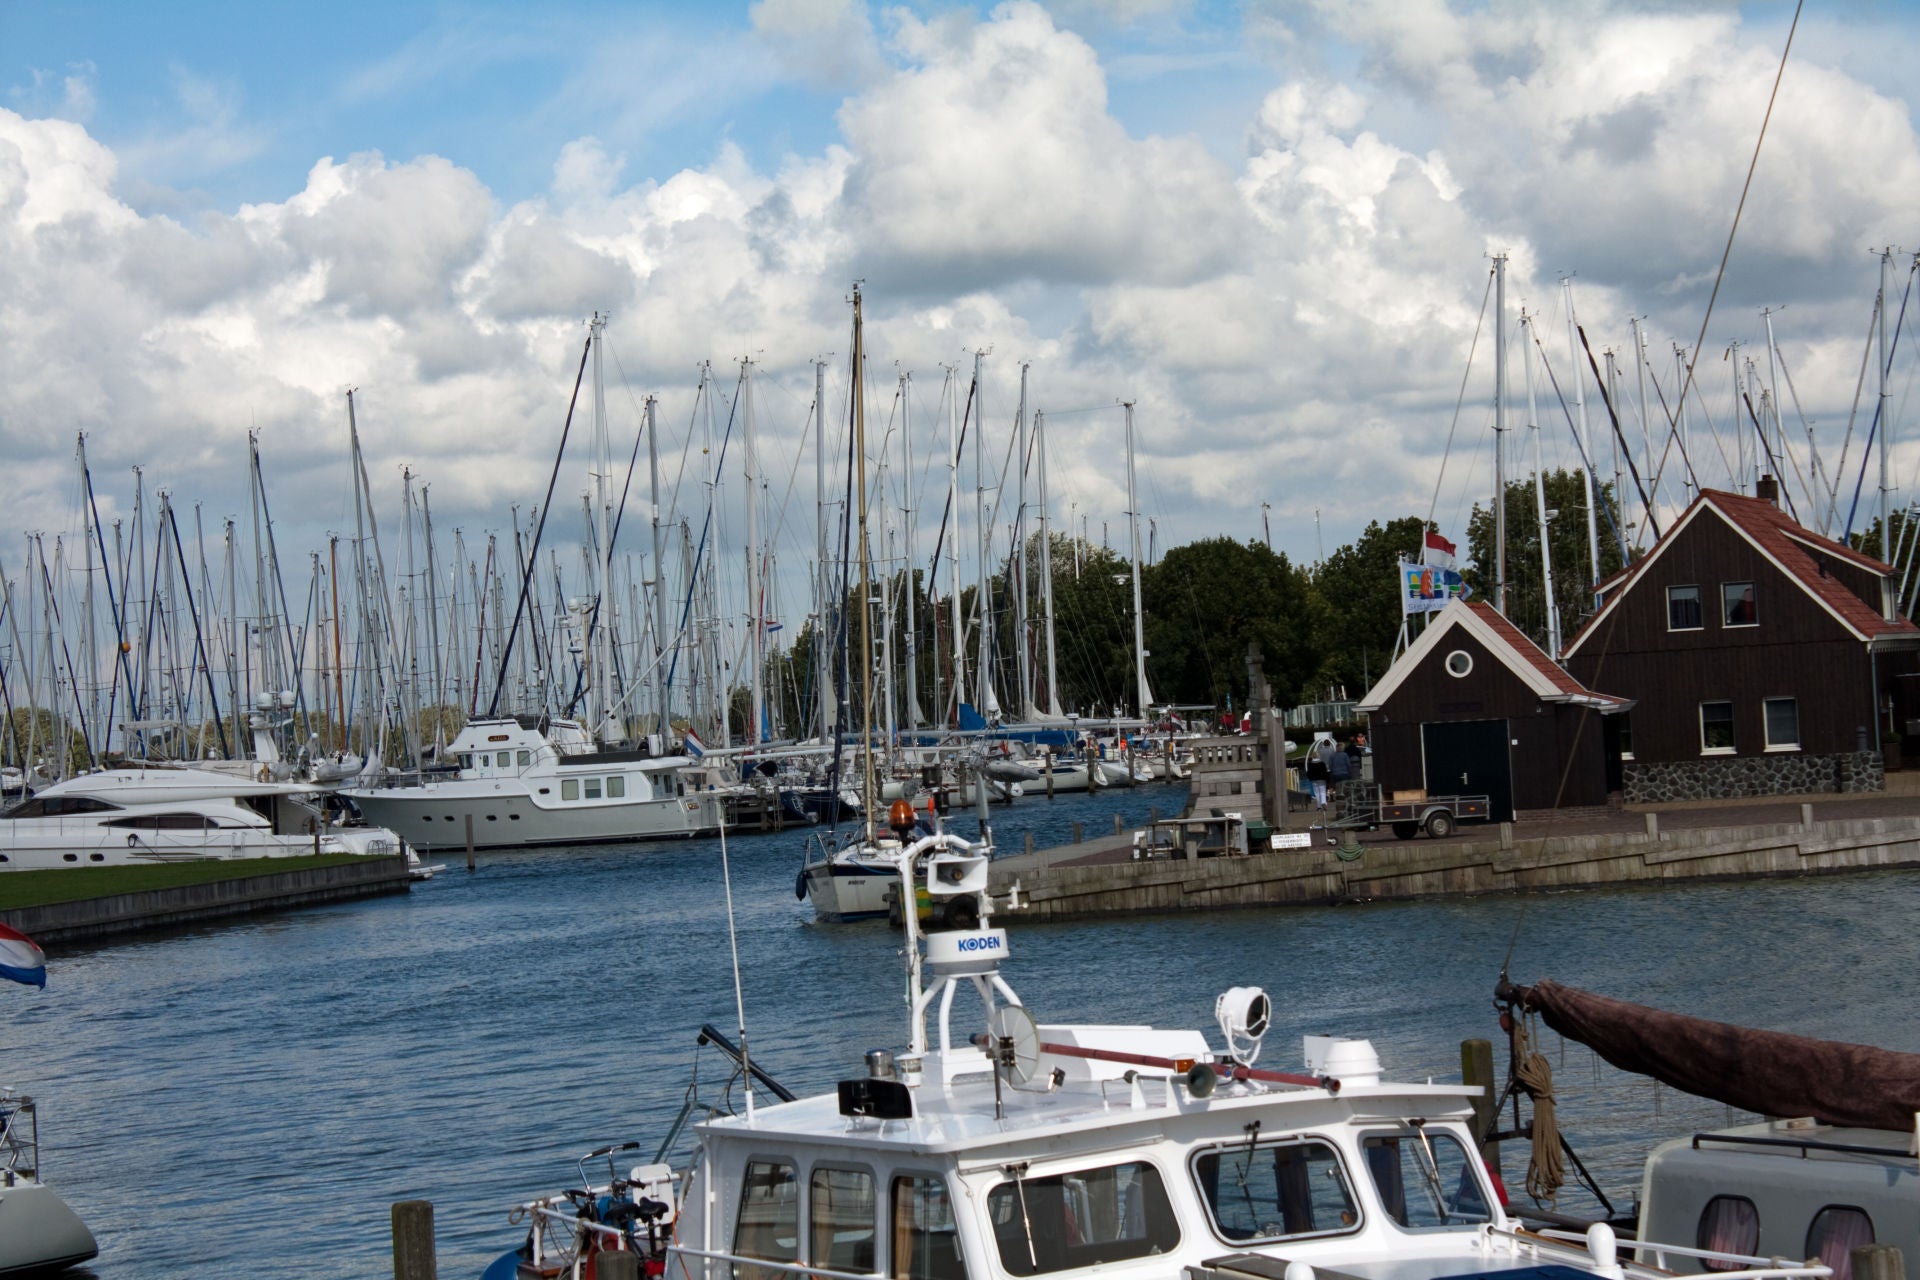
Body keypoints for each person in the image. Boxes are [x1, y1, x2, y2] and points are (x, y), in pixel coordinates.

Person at [1306, 736, 1333, 809]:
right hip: (1322, 779)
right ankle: (1323, 802)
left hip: (1314, 780)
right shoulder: (1322, 764)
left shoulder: (1310, 764)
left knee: (1317, 793)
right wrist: (1327, 779)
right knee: (1323, 791)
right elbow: (1324, 772)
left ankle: (1318, 806)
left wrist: (1310, 778)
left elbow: (1308, 773)